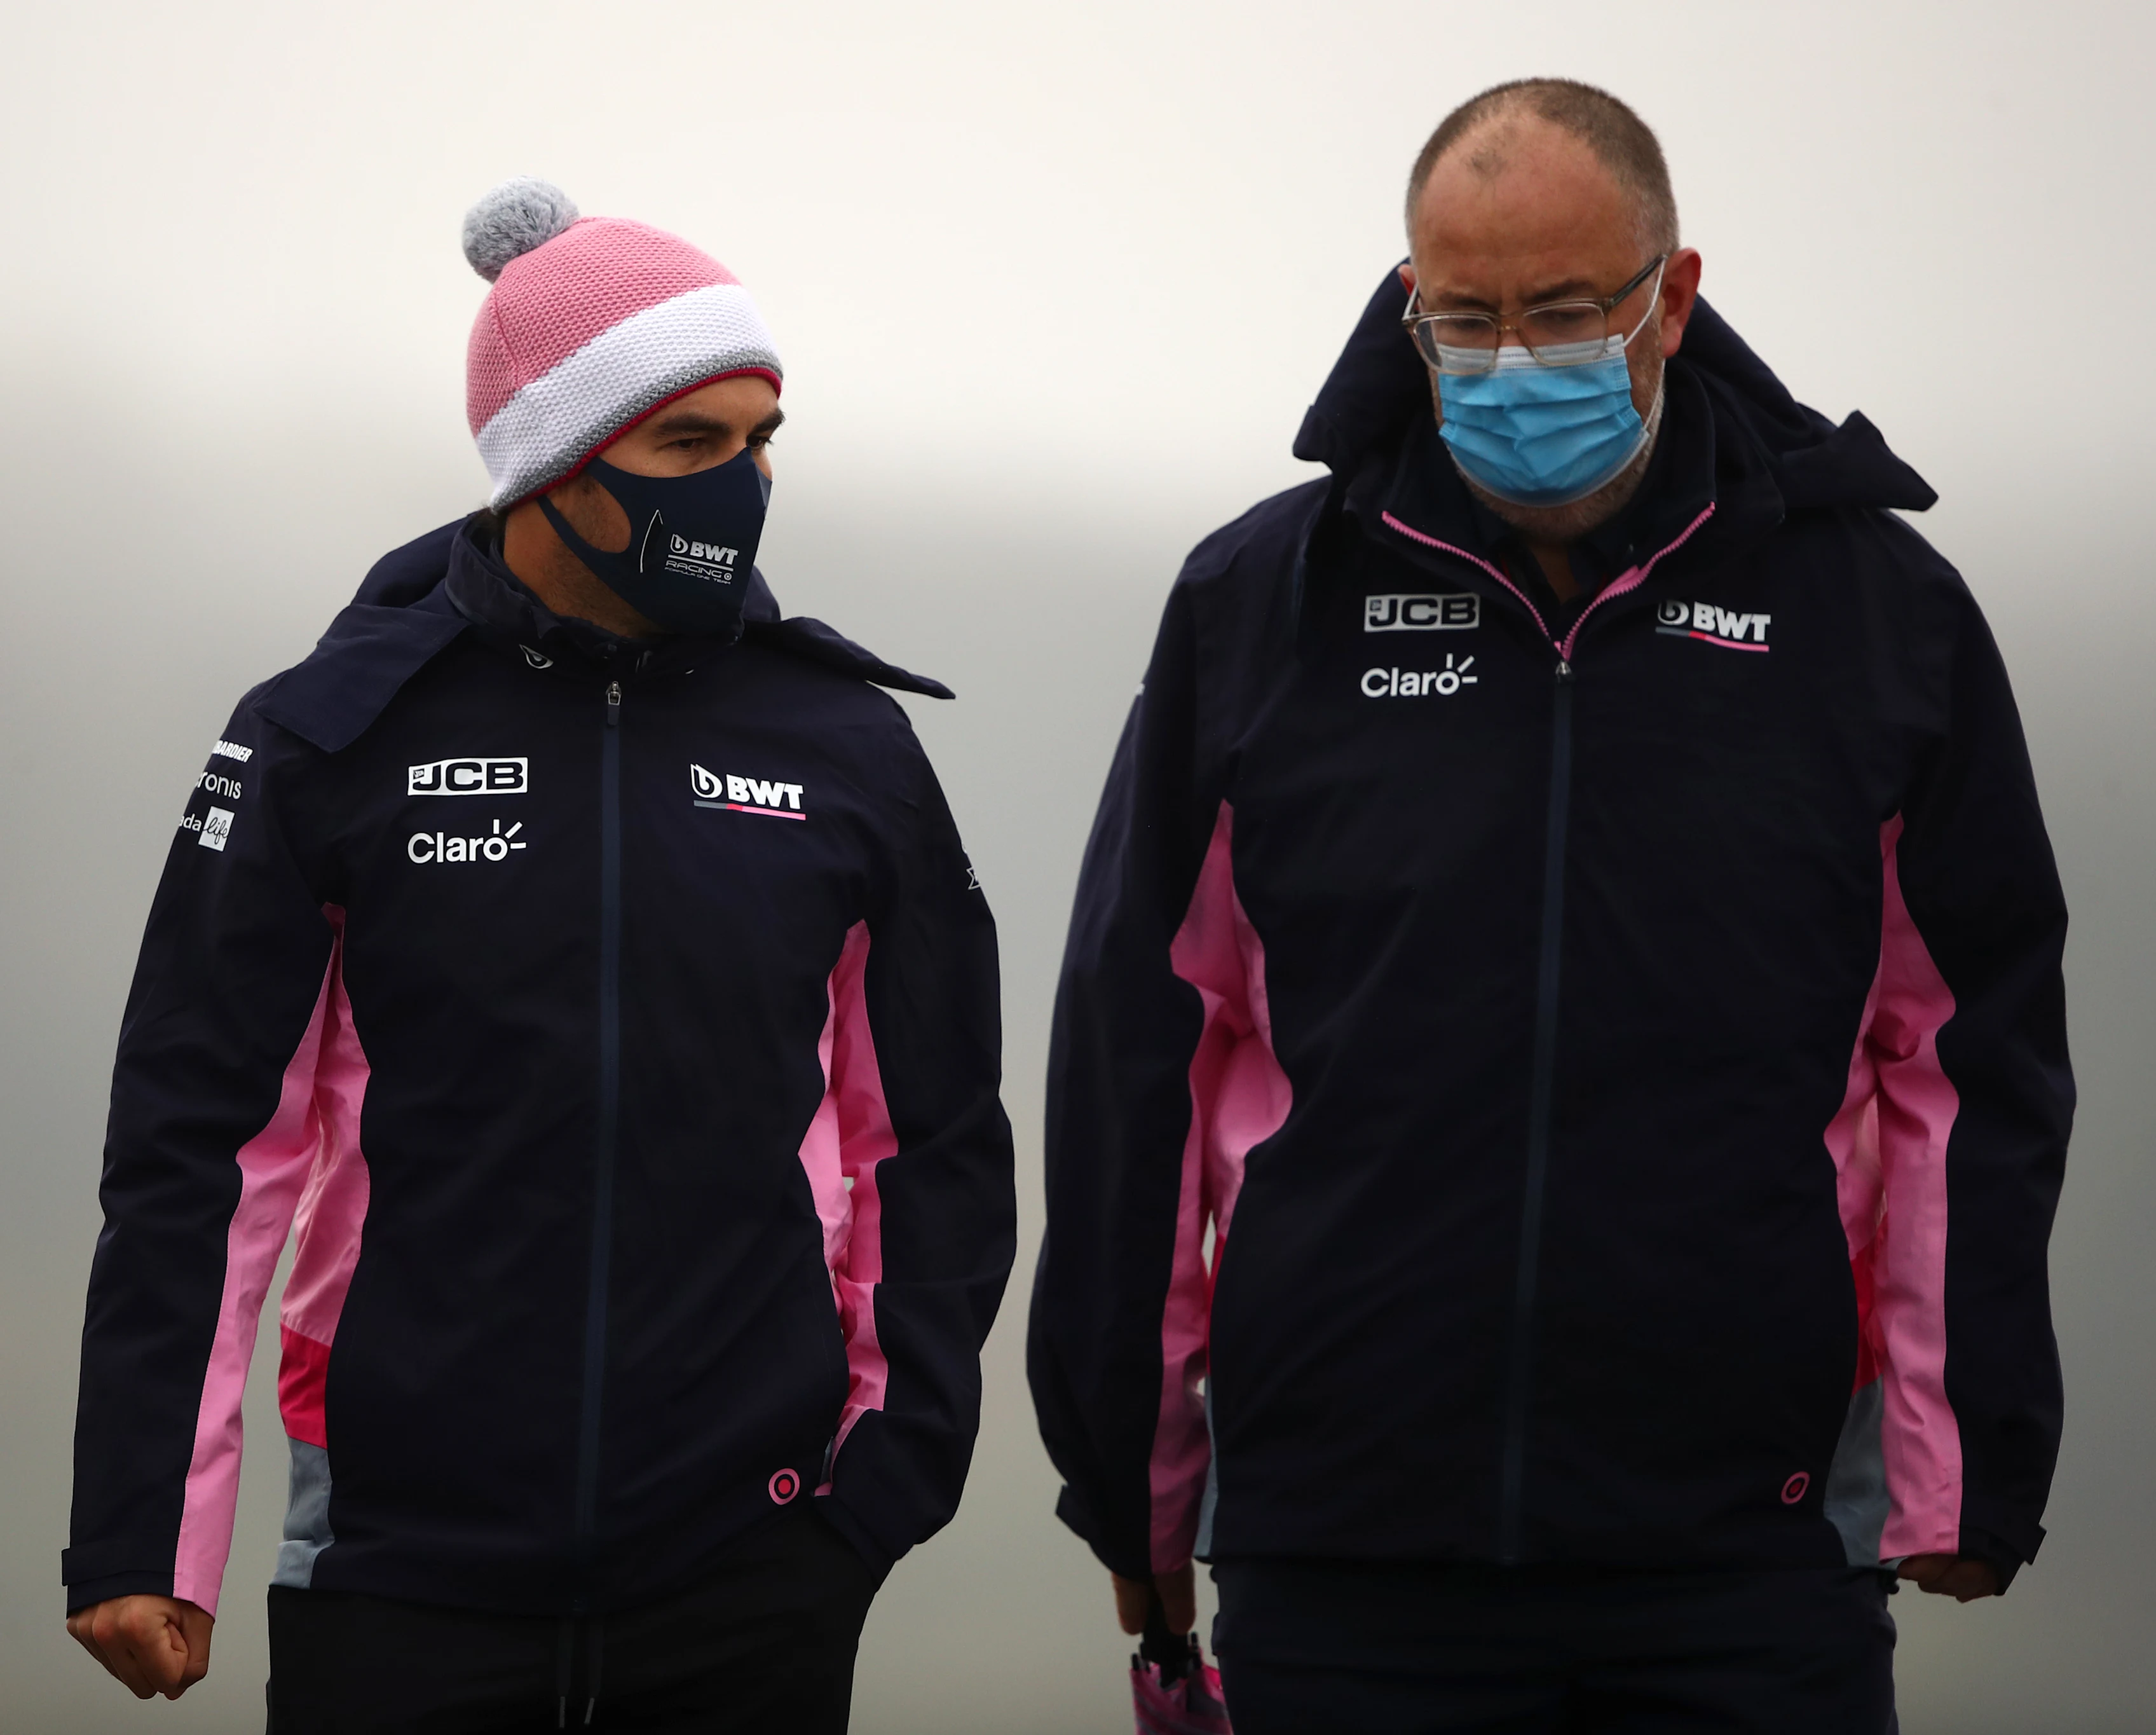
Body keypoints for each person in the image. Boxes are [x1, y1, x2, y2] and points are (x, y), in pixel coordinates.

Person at [1028, 78, 2071, 1732]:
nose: (1515, 362)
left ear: (1676, 294)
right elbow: (1139, 1052)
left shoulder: (1877, 617)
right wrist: (1128, 1470)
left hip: (1746, 1562)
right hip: (1345, 1552)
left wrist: (1965, 1457)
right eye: (1466, 318)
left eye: (1568, 311)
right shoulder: (1262, 604)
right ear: (1408, 307)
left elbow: (1965, 1056)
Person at [65, 179, 1016, 1732]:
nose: (744, 483)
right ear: (554, 460)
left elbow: (933, 1145)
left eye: (761, 438)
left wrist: (881, 1487)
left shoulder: (850, 747)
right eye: (689, 444)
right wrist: (142, 1530)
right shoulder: (328, 732)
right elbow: (199, 1151)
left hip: (755, 1569)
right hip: (394, 1566)